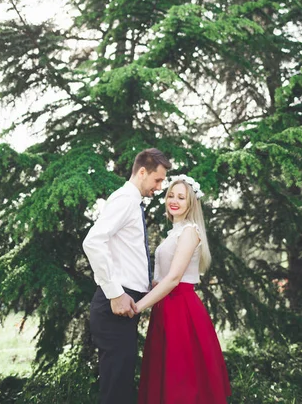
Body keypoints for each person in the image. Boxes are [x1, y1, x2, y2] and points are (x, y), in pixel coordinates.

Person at [82, 148, 172, 404]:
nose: (159, 187)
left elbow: (124, 253)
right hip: (114, 306)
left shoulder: (131, 202)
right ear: (142, 172)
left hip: (123, 305)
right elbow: (92, 242)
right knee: (115, 389)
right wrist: (116, 293)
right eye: (157, 180)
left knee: (120, 385)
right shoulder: (124, 200)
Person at [136, 174, 231, 403]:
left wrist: (138, 307)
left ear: (191, 203)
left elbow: (174, 278)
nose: (174, 200)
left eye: (181, 197)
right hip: (166, 308)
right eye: (171, 195)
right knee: (166, 375)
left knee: (182, 380)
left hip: (181, 309)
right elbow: (161, 279)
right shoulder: (174, 232)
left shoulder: (189, 231)